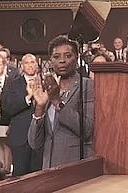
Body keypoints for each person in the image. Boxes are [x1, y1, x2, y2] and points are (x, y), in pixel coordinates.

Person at [28, 35, 94, 169]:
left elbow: (87, 129)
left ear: (76, 58)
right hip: (49, 168)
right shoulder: (47, 87)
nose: (62, 61)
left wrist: (57, 102)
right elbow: (34, 142)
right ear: (51, 60)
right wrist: (40, 107)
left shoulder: (87, 85)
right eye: (56, 57)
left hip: (75, 166)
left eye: (68, 55)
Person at [1, 54, 42, 176]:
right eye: (27, 63)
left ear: (37, 64)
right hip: (20, 137)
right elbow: (7, 108)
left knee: (39, 176)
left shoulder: (45, 82)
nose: (30, 65)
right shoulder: (12, 83)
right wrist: (28, 97)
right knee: (20, 176)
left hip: (42, 137)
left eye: (32, 62)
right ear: (21, 66)